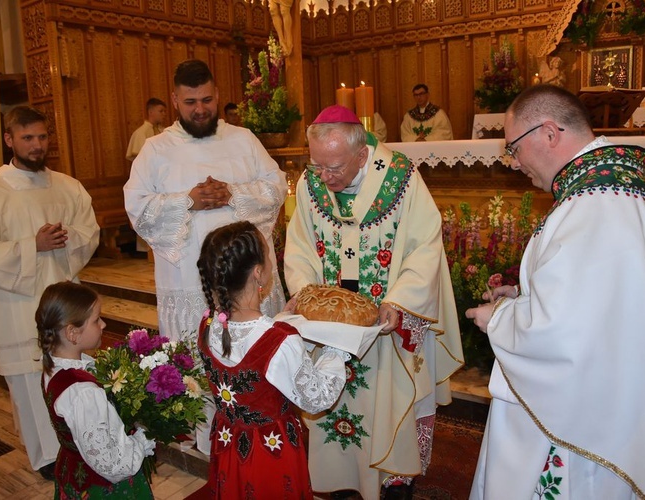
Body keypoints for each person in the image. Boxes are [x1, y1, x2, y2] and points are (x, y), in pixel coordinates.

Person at [466, 84, 645, 500]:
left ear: (550, 133)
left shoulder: (595, 201)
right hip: (620, 385)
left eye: (513, 148)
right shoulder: (617, 186)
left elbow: (562, 331)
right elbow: (604, 297)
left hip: (588, 420)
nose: (514, 163)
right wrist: (524, 295)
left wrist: (496, 318)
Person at [283, 104, 464, 499]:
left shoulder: (402, 178)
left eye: (335, 168)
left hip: (386, 327)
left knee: (388, 402)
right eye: (318, 167)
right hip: (330, 326)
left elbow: (424, 247)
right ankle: (341, 481)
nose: (325, 178)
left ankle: (394, 481)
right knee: (334, 405)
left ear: (362, 153)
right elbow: (298, 247)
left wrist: (398, 301)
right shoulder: (310, 183)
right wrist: (304, 292)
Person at [123, 59, 287, 455]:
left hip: (247, 278)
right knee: (204, 361)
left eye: (208, 100)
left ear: (218, 95)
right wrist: (188, 201)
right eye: (191, 101)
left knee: (255, 361)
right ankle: (212, 438)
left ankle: (268, 424)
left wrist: (235, 194)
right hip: (188, 279)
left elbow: (276, 187)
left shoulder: (244, 139)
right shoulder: (156, 149)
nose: (201, 109)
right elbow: (136, 207)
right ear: (175, 100)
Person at [0, 105, 100, 480]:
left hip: (62, 299)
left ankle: (80, 447)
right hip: (16, 304)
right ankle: (46, 458)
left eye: (42, 137)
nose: (37, 145)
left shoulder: (67, 186)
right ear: (9, 139)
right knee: (28, 381)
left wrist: (65, 239)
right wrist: (31, 246)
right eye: (27, 138)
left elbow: (89, 231)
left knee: (67, 373)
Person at [188, 220, 347, 498]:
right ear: (259, 273)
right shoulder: (280, 341)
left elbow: (247, 345)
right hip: (269, 453)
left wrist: (278, 322)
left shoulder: (208, 323)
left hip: (228, 443)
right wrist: (336, 349)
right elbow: (317, 398)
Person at [36, 281, 155, 499]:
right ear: (72, 332)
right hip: (101, 488)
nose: (103, 325)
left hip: (73, 470)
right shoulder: (83, 392)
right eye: (96, 320)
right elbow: (113, 465)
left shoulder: (55, 368)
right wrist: (143, 437)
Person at [125, 97, 167, 161]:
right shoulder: (140, 133)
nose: (164, 114)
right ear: (150, 112)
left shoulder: (165, 131)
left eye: (164, 111)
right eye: (161, 111)